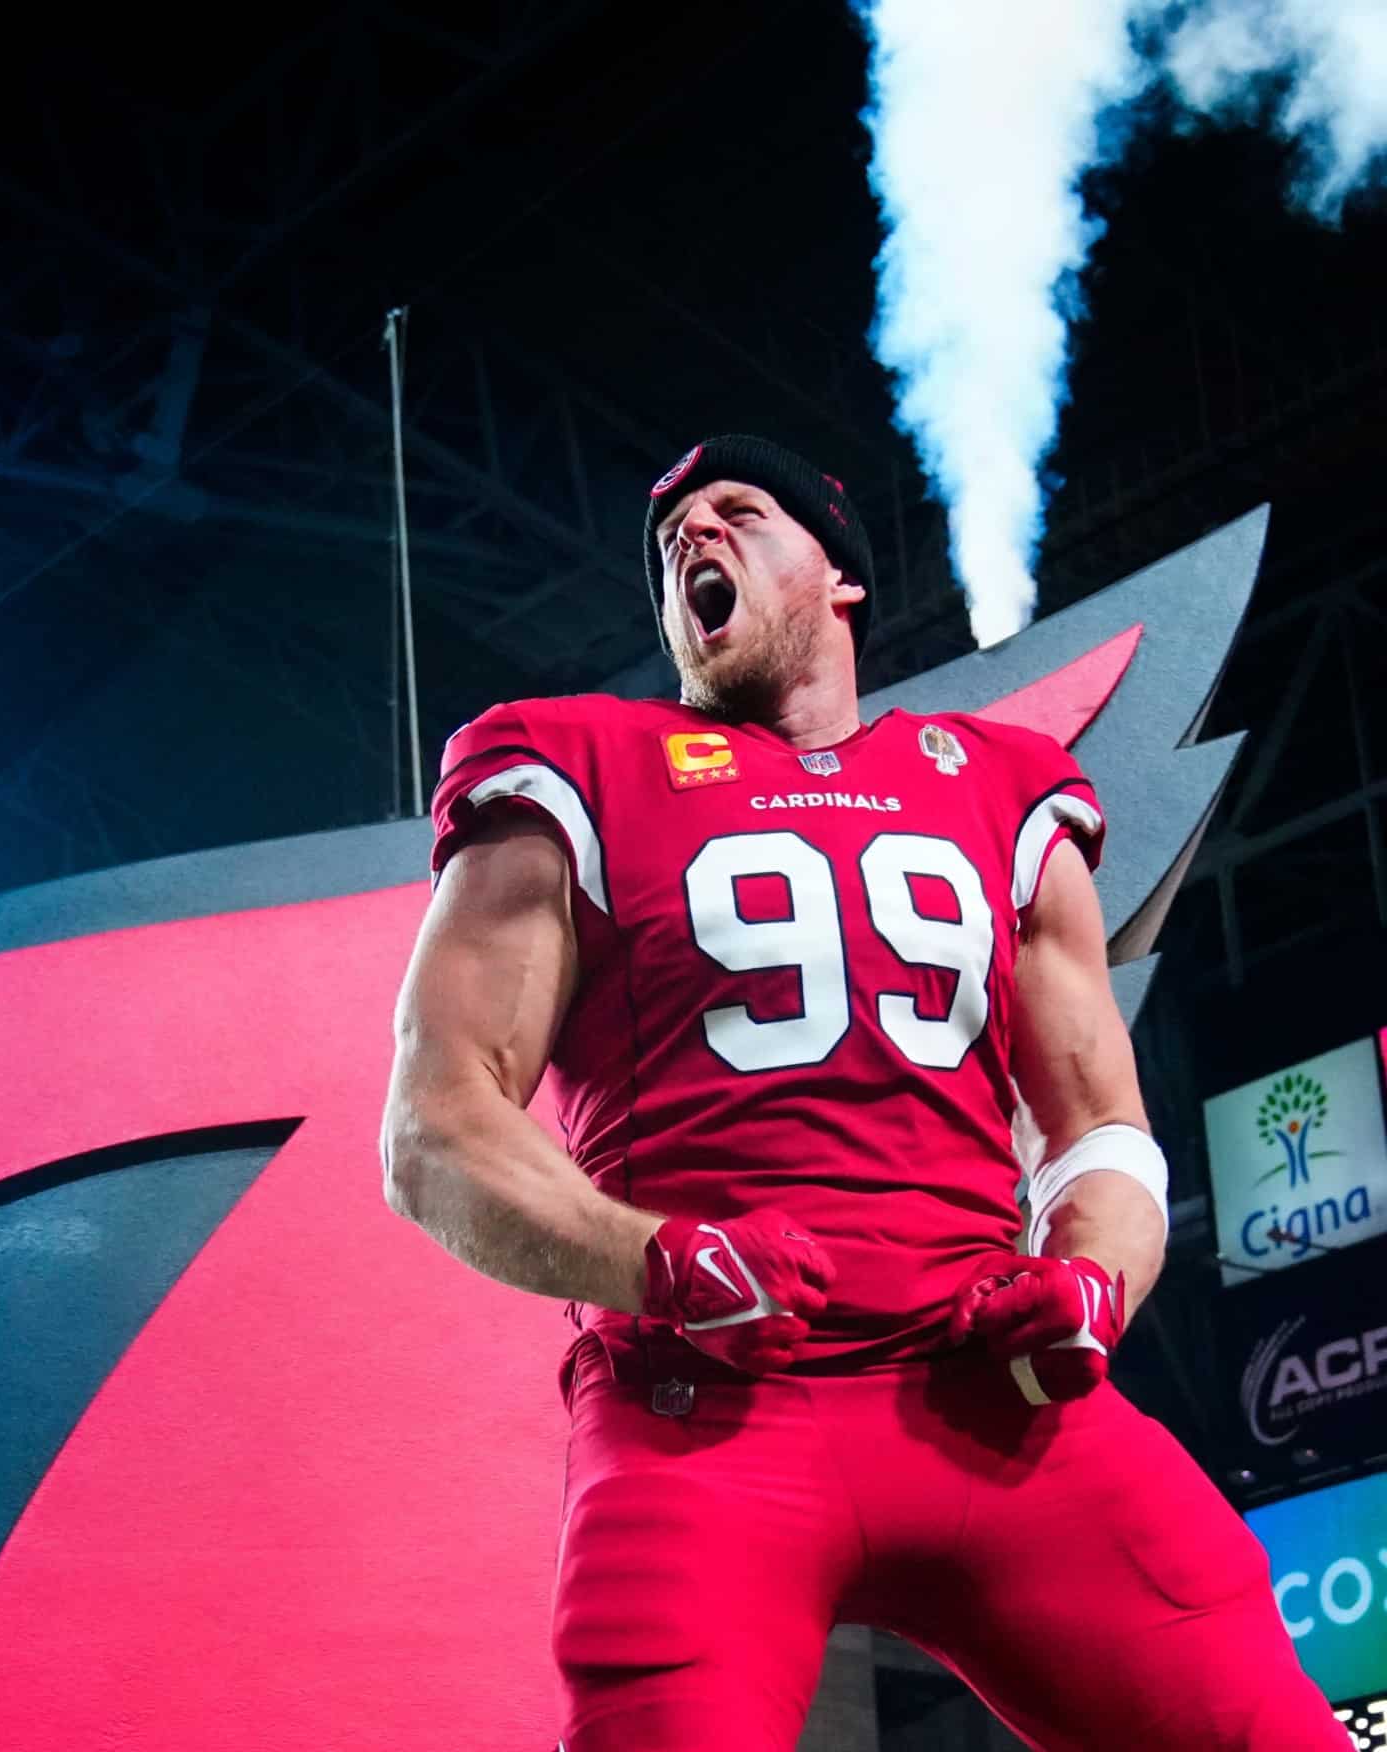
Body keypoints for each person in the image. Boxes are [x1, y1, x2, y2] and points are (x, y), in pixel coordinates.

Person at [380, 435, 1347, 1750]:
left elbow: (1098, 1128)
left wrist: (1094, 1282)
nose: (690, 540)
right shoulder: (576, 768)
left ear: (840, 575)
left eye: (736, 511)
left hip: (987, 1392)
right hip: (705, 1408)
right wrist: (659, 1261)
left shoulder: (999, 785)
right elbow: (436, 1127)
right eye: (670, 540)